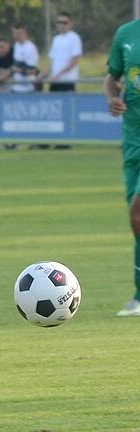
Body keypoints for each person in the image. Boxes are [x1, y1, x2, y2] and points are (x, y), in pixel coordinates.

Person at [105, 19, 140, 317]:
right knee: (137, 218)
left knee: (138, 211)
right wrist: (112, 97)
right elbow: (112, 77)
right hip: (133, 140)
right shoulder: (126, 33)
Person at [46, 12, 82, 92]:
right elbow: (52, 61)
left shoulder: (74, 38)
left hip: (67, 82)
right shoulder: (56, 39)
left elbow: (74, 61)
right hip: (55, 82)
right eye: (59, 22)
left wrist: (59, 75)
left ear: (70, 24)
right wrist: (43, 75)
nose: (62, 25)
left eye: (65, 22)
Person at [10, 23, 39, 93]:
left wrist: (17, 69)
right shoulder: (15, 46)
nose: (17, 35)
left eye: (19, 33)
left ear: (25, 33)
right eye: (15, 33)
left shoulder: (30, 48)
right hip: (15, 87)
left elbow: (33, 70)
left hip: (28, 89)